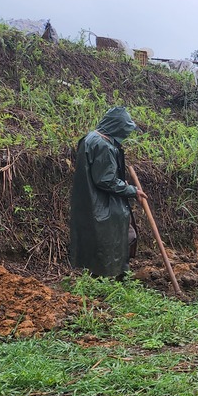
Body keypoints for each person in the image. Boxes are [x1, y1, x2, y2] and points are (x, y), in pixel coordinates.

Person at [69, 106, 147, 278]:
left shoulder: (89, 138)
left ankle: (100, 276)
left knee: (101, 241)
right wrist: (132, 190)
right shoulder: (103, 145)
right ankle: (112, 276)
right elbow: (106, 180)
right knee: (121, 236)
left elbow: (99, 173)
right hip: (102, 205)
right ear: (116, 127)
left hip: (88, 201)